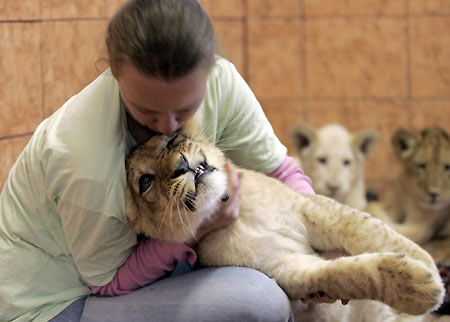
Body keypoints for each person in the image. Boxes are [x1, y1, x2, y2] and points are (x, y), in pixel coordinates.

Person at [0, 0, 319, 321]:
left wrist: (323, 246)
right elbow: (109, 282)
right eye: (147, 111)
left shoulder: (221, 80)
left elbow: (280, 171)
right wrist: (198, 228)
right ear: (113, 68)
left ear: (209, 69)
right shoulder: (79, 156)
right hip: (54, 301)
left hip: (142, 268)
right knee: (260, 301)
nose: (168, 126)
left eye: (185, 109)